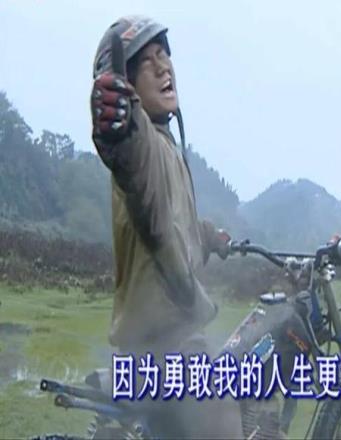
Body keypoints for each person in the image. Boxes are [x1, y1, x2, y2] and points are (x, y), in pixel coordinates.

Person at [90, 15, 243, 438]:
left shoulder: (168, 146)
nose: (163, 67)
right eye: (147, 62)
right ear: (127, 83)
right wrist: (117, 124)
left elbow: (169, 220)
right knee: (227, 408)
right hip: (166, 343)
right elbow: (131, 154)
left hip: (157, 340)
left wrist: (210, 236)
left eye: (164, 56)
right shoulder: (146, 144)